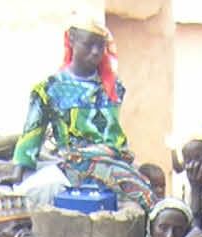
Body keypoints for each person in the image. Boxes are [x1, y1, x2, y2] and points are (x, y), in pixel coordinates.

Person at [13, 13, 147, 207]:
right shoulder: (48, 90)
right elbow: (31, 135)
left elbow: (114, 138)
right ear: (72, 40)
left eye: (100, 46)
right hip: (72, 167)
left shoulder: (112, 88)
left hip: (113, 164)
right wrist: (18, 173)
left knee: (146, 197)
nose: (95, 52)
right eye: (89, 44)